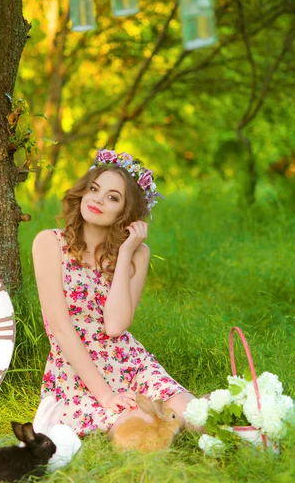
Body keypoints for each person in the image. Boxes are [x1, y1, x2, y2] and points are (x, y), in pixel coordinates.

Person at [32, 149, 195, 438]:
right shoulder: (50, 243)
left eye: (113, 197)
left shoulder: (137, 254)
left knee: (191, 413)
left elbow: (116, 325)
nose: (97, 199)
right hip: (77, 370)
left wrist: (126, 252)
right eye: (94, 189)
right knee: (141, 428)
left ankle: (252, 435)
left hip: (129, 361)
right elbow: (59, 328)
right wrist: (107, 396)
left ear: (126, 212)